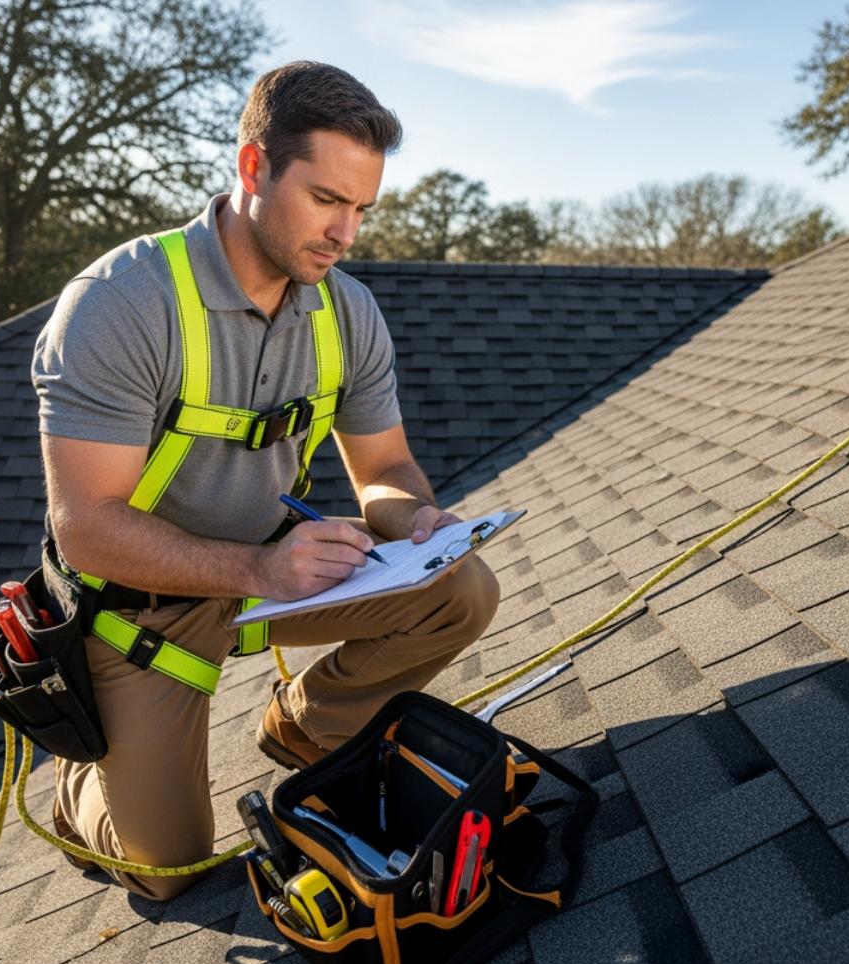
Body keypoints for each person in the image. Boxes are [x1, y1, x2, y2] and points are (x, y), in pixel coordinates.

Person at [30, 62, 500, 901]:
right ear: (253, 169)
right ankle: (81, 787)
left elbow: (383, 470)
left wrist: (420, 522)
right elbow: (88, 527)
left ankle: (307, 728)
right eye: (326, 200)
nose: (346, 233)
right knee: (169, 870)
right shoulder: (121, 304)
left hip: (270, 583)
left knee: (461, 590)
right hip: (139, 609)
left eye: (362, 209)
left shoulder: (346, 311)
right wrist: (257, 571)